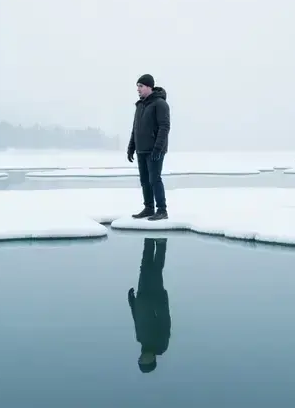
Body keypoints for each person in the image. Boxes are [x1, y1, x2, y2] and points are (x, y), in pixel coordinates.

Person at [126, 74, 170, 220]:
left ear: (149, 87)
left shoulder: (160, 104)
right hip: (141, 149)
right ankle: (149, 208)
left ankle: (162, 210)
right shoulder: (140, 105)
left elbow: (164, 127)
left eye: (141, 86)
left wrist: (158, 148)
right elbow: (135, 128)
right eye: (137, 86)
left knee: (154, 179)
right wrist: (131, 147)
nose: (138, 89)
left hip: (154, 150)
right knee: (144, 180)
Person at [128, 238, 171, 373]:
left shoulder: (140, 339)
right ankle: (161, 243)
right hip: (155, 297)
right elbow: (165, 321)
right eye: (144, 361)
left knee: (145, 267)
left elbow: (136, 319)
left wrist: (132, 302)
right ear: (152, 360)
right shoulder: (161, 343)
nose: (141, 358)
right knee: (156, 269)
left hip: (141, 296)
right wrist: (162, 300)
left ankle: (149, 240)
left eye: (140, 360)